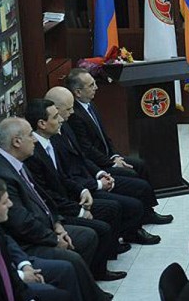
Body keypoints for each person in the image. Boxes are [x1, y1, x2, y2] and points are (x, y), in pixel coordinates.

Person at [0, 117, 113, 301]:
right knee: (70, 262)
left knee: (87, 237)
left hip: (45, 227)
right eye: (30, 135)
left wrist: (57, 224)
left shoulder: (17, 162)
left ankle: (91, 298)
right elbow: (20, 222)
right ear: (17, 141)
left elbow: (43, 197)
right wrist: (53, 239)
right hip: (27, 241)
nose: (34, 139)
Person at [24, 98, 128, 281]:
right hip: (59, 209)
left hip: (70, 197)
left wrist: (82, 191)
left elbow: (63, 176)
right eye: (55, 117)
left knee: (112, 208)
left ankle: (102, 263)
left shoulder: (51, 142)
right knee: (101, 229)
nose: (61, 120)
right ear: (42, 124)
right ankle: (93, 275)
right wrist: (79, 211)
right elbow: (46, 194)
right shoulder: (33, 154)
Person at [45, 86, 162, 243]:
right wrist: (98, 184)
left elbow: (82, 157)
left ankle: (142, 220)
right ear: (56, 109)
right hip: (81, 189)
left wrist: (100, 173)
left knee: (138, 177)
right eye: (68, 109)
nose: (72, 112)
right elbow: (67, 174)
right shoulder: (51, 139)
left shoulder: (65, 126)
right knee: (130, 202)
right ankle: (129, 234)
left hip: (90, 176)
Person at [63, 69, 172, 226]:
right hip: (97, 164)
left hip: (108, 157)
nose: (96, 87)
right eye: (91, 85)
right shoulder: (74, 115)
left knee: (140, 165)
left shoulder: (90, 104)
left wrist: (115, 156)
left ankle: (148, 212)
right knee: (134, 176)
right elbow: (87, 150)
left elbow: (104, 136)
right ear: (78, 92)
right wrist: (112, 163)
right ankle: (139, 217)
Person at [0, 174, 72, 301]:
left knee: (62, 299)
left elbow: (10, 275)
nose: (11, 204)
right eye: (4, 202)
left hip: (11, 300)